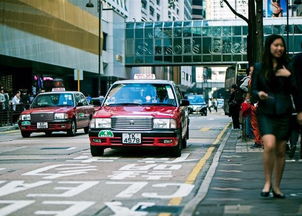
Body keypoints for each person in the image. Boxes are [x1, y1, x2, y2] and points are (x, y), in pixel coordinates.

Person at [251, 34, 296, 198]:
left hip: (284, 112)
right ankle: (267, 182)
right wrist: (259, 93)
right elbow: (253, 91)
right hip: (266, 112)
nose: (279, 48)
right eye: (276, 45)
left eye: (281, 45)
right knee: (269, 145)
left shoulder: (289, 66)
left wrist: (289, 76)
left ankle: (277, 187)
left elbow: (297, 88)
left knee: (281, 150)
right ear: (269, 47)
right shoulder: (260, 67)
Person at [290, 48, 302, 159]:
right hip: (297, 100)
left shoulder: (295, 60)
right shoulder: (298, 60)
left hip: (294, 101)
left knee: (294, 127)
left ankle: (293, 144)